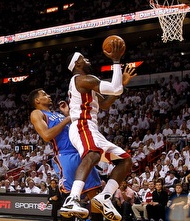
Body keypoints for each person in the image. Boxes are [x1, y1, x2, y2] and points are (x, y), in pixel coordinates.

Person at [61, 39, 136, 220]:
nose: (87, 60)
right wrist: (116, 61)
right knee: (93, 155)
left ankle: (105, 197)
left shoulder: (87, 84)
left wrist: (122, 85)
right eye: (83, 58)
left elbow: (104, 104)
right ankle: (72, 198)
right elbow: (115, 88)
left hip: (91, 128)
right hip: (82, 125)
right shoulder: (82, 79)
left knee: (125, 161)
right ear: (77, 64)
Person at [28, 89, 103, 220]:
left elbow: (74, 127)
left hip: (81, 152)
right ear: (37, 100)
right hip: (65, 155)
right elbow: (46, 136)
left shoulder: (57, 114)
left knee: (95, 194)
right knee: (69, 196)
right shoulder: (37, 113)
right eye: (44, 95)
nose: (49, 95)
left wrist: (66, 113)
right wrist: (67, 119)